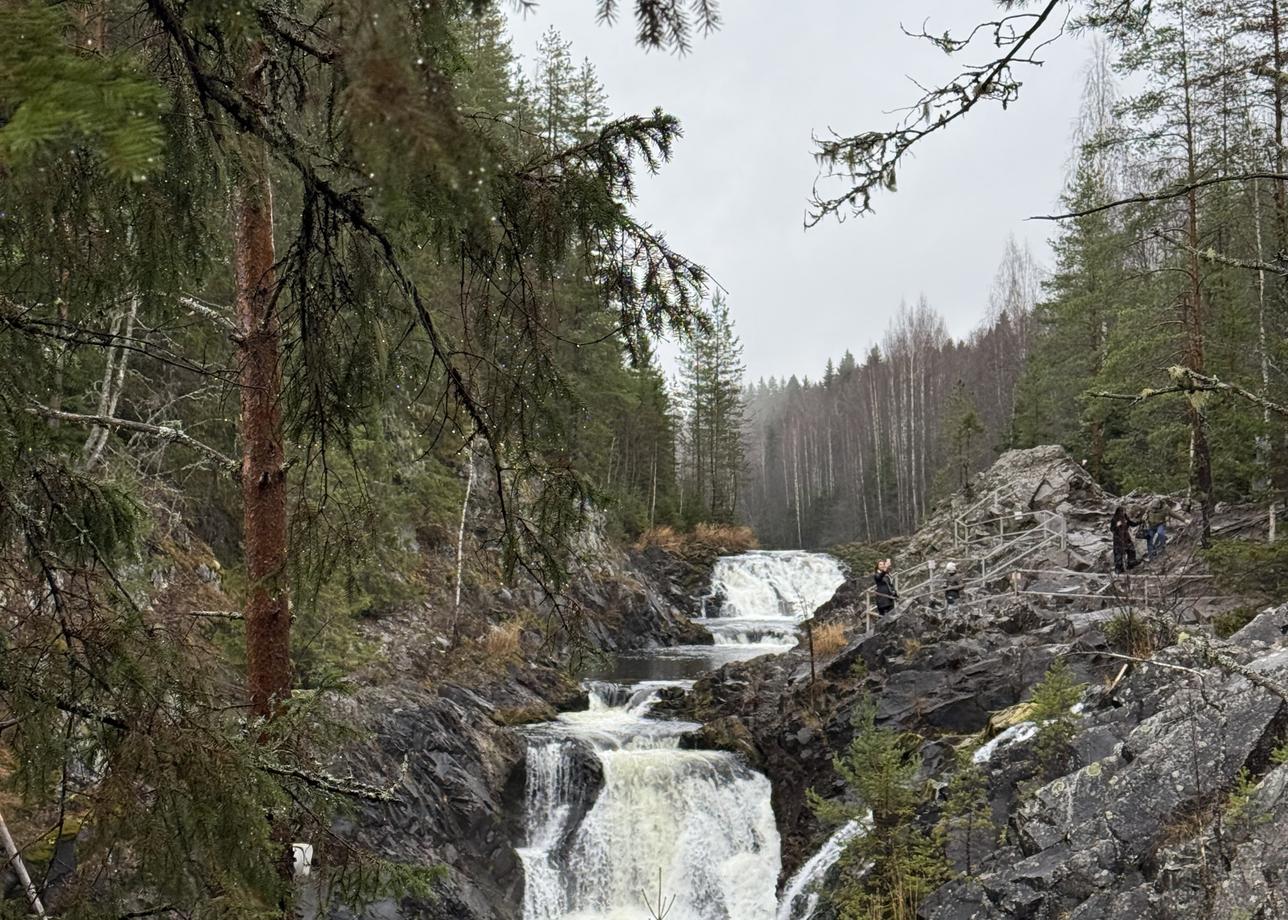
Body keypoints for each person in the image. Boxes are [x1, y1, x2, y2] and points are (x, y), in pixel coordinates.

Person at [1110, 505, 1139, 574]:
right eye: (1122, 511)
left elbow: (1131, 523)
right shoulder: (1114, 519)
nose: (1123, 513)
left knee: (1131, 549)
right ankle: (1119, 568)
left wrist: (1139, 522)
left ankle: (1131, 563)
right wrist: (1116, 525)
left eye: (1124, 511)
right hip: (1118, 538)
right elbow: (1112, 529)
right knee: (1118, 553)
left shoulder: (1125, 517)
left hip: (1126, 537)